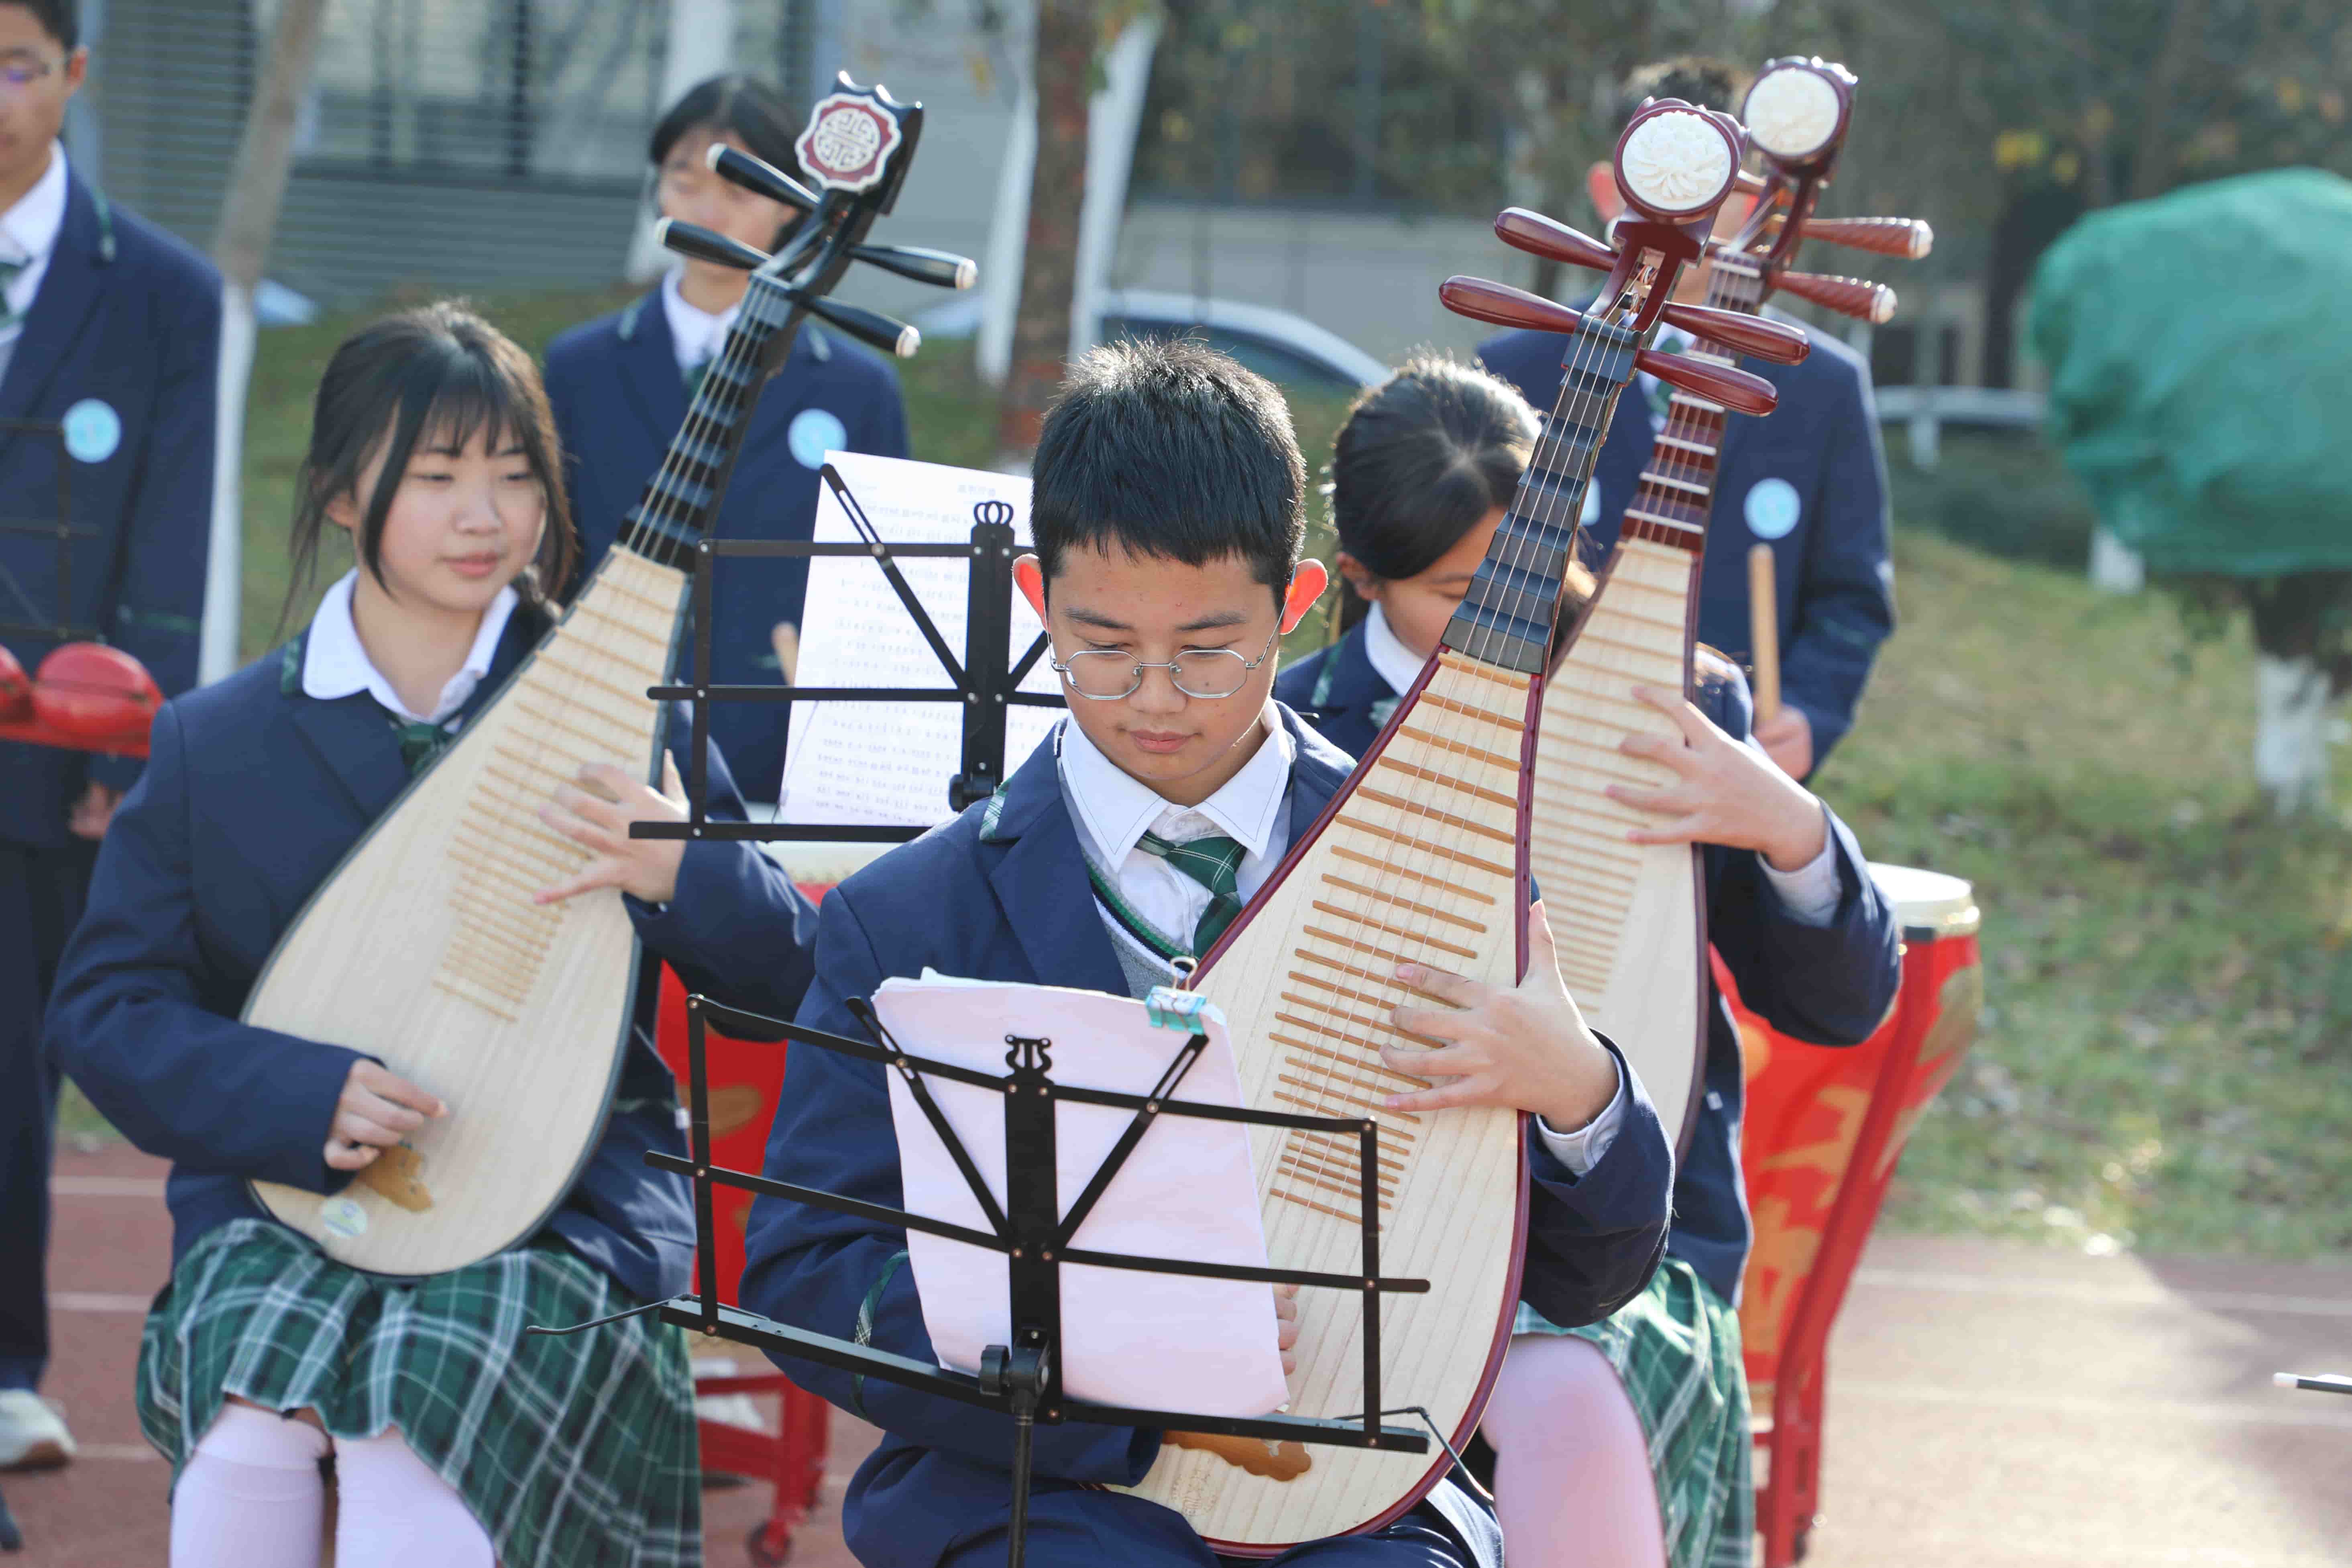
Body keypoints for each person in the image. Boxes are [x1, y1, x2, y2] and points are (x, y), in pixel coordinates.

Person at [739, 338, 1677, 1568]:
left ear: (1294, 605)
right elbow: (811, 1269)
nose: (1155, 696)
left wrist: (1578, 1092)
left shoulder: (1429, 865)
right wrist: (1094, 1345)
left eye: (1208, 646)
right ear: (1038, 600)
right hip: (1033, 1488)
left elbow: (1586, 1273)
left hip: (1351, 1487)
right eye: (1104, 644)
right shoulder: (914, 914)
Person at [45, 303, 819, 1567]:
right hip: (286, 1196)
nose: (485, 518)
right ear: (345, 495)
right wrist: (293, 1094)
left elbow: (787, 977)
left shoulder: (618, 711)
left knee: (414, 1437)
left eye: (516, 478)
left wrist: (693, 872)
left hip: (562, 1204)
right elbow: (105, 1010)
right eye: (439, 476)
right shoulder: (220, 741)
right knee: (248, 1438)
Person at [1280, 357, 1900, 1568]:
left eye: (1529, 566)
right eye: (1458, 590)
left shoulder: (1669, 708)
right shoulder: (1295, 732)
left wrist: (1786, 825)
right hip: (1357, 1225)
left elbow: (1837, 1005)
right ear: (1360, 578)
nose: (1503, 613)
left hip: (1620, 1250)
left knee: (1561, 1395)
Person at [0, 0, 221, 1472]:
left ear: (75, 75)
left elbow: (170, 533)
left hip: (46, 753)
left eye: (13, 63)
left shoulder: (158, 291)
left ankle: (14, 1363)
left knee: (20, 1057)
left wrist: (119, 754)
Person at [1476, 56, 1894, 783]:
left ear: (1760, 197)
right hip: (1540, 756)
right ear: (1612, 188)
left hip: (1733, 763)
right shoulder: (1520, 362)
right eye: (1658, 177)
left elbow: (1850, 597)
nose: (1685, 207)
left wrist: (1809, 711)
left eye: (1715, 182)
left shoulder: (1822, 385)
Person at [545, 73, 912, 805]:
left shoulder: (856, 388)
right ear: (658, 190)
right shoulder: (577, 367)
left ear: (791, 206)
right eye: (686, 181)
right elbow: (553, 556)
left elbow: (887, 595)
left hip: (777, 742)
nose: (709, 212)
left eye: (740, 191)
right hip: (601, 724)